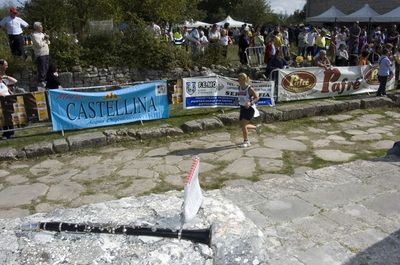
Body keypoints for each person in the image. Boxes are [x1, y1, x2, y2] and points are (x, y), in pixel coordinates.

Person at [237, 73, 260, 148]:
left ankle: (246, 142)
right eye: (238, 79)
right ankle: (256, 128)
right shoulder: (239, 87)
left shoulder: (249, 88)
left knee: (243, 125)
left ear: (244, 79)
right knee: (242, 125)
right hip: (242, 108)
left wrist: (250, 102)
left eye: (239, 79)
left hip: (249, 109)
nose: (238, 80)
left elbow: (257, 97)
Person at [0, 59, 17, 139]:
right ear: (1, 65)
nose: (7, 67)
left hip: (7, 99)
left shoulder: (3, 76)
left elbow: (14, 81)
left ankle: (10, 132)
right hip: (1, 100)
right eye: (5, 65)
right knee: (3, 117)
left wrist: (5, 77)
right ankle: (6, 133)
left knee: (9, 116)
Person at [32, 22, 50, 89]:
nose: (42, 28)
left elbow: (48, 43)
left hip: (46, 53)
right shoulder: (34, 35)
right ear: (37, 28)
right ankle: (41, 81)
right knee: (42, 68)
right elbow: (39, 45)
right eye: (41, 27)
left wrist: (47, 38)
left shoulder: (42, 34)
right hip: (40, 54)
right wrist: (44, 39)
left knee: (46, 67)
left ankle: (45, 80)